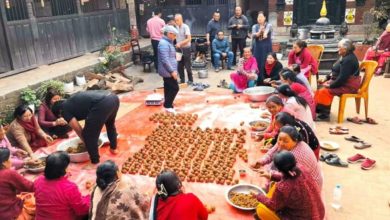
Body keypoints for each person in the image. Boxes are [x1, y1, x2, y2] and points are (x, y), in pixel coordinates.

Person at [51, 90, 120, 164]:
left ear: (59, 113)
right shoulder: (70, 102)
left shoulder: (64, 110)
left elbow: (78, 129)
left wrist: (87, 143)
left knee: (88, 135)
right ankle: (113, 148)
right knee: (110, 124)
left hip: (102, 103)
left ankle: (95, 161)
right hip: (113, 98)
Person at [254, 151, 325, 220]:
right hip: (319, 212)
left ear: (278, 169)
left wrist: (258, 196)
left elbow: (273, 205)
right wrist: (270, 175)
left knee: (261, 210)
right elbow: (288, 176)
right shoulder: (301, 168)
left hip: (302, 217)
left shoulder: (283, 187)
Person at [251, 126, 323, 189]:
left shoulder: (296, 156)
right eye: (279, 139)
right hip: (295, 175)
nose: (281, 143)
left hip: (309, 186)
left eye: (286, 141)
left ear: (295, 140)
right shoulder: (283, 139)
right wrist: (261, 161)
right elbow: (271, 152)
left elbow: (289, 176)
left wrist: (270, 174)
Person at [34, 151, 90, 220]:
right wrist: (90, 197)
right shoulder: (69, 188)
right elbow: (82, 210)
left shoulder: (38, 181)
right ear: (64, 169)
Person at [315, 38, 360, 120]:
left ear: (345, 49)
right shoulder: (344, 56)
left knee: (324, 91)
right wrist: (326, 79)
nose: (337, 49)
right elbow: (334, 70)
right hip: (341, 82)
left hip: (348, 85)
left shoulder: (348, 60)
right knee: (320, 87)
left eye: (339, 47)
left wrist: (331, 85)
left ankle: (324, 115)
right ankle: (321, 111)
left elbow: (343, 78)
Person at [0, 148, 35, 220]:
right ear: (4, 163)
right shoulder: (8, 173)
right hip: (9, 213)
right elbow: (31, 187)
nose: (11, 161)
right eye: (10, 158)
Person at [158, 25, 180, 114]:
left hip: (169, 69)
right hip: (167, 70)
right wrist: (172, 71)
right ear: (170, 34)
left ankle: (168, 104)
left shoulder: (168, 42)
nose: (175, 37)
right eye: (174, 35)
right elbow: (165, 59)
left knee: (168, 87)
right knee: (175, 88)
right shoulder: (163, 43)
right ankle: (167, 105)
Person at [252, 12, 273, 83]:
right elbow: (254, 35)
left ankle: (266, 79)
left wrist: (264, 33)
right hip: (258, 47)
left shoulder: (269, 25)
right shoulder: (254, 26)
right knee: (257, 62)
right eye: (258, 17)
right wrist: (259, 31)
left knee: (266, 61)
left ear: (265, 18)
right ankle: (257, 79)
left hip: (266, 47)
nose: (260, 18)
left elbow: (266, 33)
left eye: (261, 17)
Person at [175, 14, 193, 84]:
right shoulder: (176, 27)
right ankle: (182, 80)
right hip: (178, 49)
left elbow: (189, 39)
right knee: (179, 65)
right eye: (175, 20)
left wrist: (180, 43)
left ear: (181, 20)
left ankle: (190, 80)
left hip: (186, 49)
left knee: (187, 65)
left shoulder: (186, 27)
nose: (176, 22)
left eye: (177, 20)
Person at [146, 8, 166, 72]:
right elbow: (164, 31)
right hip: (160, 40)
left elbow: (148, 30)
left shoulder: (149, 21)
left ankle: (157, 68)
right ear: (159, 13)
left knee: (156, 54)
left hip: (153, 40)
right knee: (161, 54)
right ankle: (161, 68)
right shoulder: (161, 21)